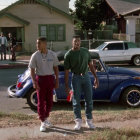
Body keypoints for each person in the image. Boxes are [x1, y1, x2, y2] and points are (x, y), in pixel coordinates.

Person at [64, 35, 99, 130]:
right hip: (75, 78)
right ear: (72, 42)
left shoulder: (85, 51)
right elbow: (66, 71)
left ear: (80, 42)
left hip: (86, 76)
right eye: (75, 41)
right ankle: (78, 121)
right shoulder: (68, 54)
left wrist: (96, 77)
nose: (77, 43)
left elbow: (90, 65)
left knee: (89, 99)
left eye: (78, 41)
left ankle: (89, 121)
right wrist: (67, 86)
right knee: (76, 101)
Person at [28, 37, 59, 132]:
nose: (37, 45)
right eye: (37, 43)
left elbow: (56, 68)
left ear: (45, 44)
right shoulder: (35, 55)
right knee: (41, 101)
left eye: (38, 43)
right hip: (40, 79)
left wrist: (57, 80)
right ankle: (42, 121)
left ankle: (45, 118)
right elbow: (32, 70)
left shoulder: (52, 54)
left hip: (50, 79)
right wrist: (34, 81)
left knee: (49, 101)